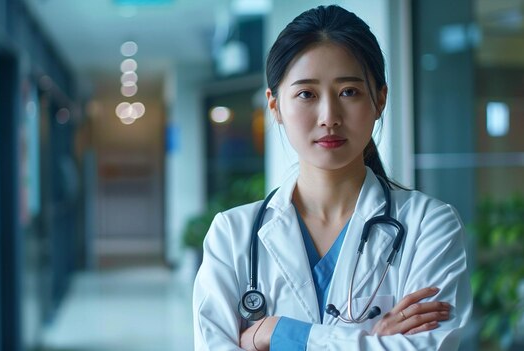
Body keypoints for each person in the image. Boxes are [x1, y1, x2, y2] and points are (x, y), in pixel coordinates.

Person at [192, 4, 471, 351]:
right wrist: (371, 341)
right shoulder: (231, 235)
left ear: (380, 99)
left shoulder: (430, 226)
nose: (329, 116)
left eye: (349, 92)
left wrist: (278, 333)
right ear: (275, 106)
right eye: (306, 94)